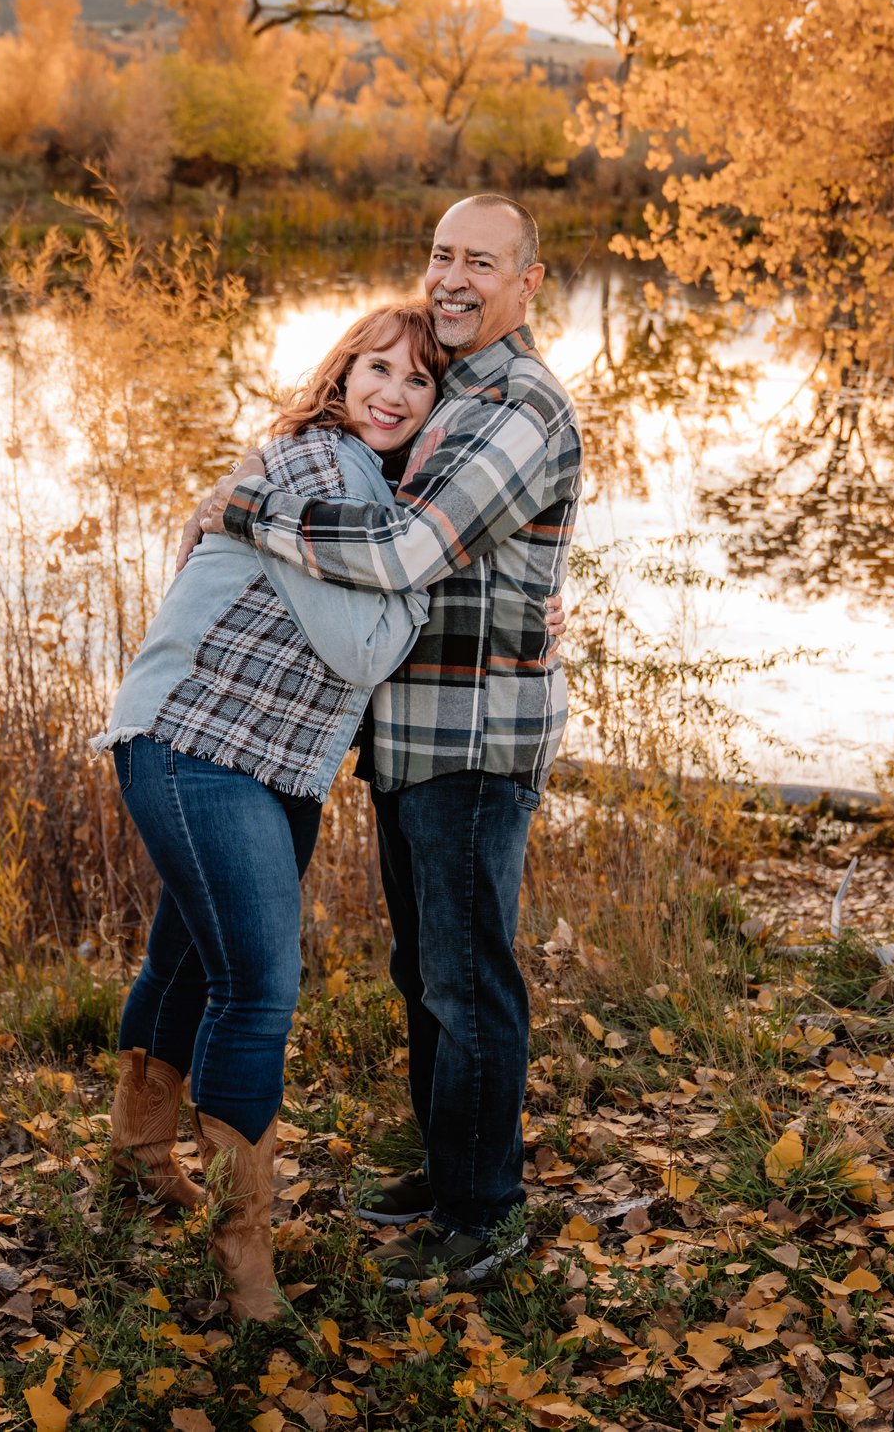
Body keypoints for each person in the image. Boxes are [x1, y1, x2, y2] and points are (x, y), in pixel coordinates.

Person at [187, 194, 582, 1290]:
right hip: (412, 735)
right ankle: (454, 1171)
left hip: (471, 738)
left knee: (469, 980)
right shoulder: (450, 389)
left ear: (527, 280)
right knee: (427, 972)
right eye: (442, 255)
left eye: (481, 262)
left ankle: (484, 1210)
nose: (453, 277)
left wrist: (253, 514)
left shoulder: (519, 406)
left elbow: (408, 549)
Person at [97, 302, 446, 1321]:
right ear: (340, 376)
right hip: (193, 746)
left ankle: (134, 1165)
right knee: (258, 984)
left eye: (417, 380)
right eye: (374, 366)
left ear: (436, 403)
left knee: (186, 963)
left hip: (269, 764)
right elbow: (364, 648)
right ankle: (241, 1251)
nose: (390, 390)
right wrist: (424, 583)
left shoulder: (368, 490)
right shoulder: (324, 465)